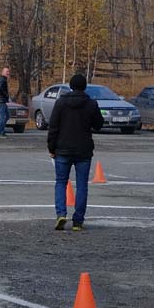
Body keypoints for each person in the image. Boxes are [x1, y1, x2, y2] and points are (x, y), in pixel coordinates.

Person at [47, 73, 105, 231]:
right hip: (83, 150)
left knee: (60, 182)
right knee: (82, 186)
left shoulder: (60, 103)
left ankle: (61, 214)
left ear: (70, 86)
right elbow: (99, 124)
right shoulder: (91, 104)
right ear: (85, 86)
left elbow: (53, 127)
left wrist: (51, 148)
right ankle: (78, 221)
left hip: (62, 148)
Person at [0, 66, 11, 137]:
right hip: (2, 100)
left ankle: (2, 131)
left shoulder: (2, 79)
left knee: (7, 115)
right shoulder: (2, 80)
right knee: (2, 116)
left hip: (2, 100)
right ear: (3, 72)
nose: (8, 73)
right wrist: (6, 95)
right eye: (6, 71)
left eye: (8, 71)